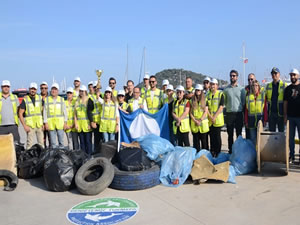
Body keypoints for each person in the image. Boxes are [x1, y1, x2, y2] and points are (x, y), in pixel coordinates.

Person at [223, 70, 246, 153]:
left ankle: (239, 150)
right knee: (230, 134)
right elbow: (224, 102)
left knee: (239, 134)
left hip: (238, 113)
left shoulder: (241, 89)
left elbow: (243, 102)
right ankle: (230, 150)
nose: (232, 77)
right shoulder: (226, 90)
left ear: (237, 77)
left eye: (234, 76)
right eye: (231, 76)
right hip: (229, 114)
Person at [19, 82, 44, 149]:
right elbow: (20, 113)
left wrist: (44, 123)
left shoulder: (40, 98)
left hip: (39, 125)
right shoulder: (25, 99)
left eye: (34, 89)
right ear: (29, 89)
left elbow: (43, 111)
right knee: (29, 144)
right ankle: (28, 158)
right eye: (31, 89)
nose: (33, 90)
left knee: (41, 144)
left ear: (36, 90)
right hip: (30, 126)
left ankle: (41, 157)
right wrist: (24, 126)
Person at [44, 83, 68, 149]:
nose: (54, 91)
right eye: (52, 89)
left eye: (55, 89)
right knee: (53, 143)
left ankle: (62, 156)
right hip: (51, 124)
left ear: (58, 91)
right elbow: (45, 112)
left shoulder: (61, 100)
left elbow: (65, 112)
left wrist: (65, 123)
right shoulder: (47, 100)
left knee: (61, 142)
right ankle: (54, 157)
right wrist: (45, 123)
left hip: (60, 124)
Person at [284, 68, 300, 162]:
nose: (292, 77)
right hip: (290, 117)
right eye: (291, 75)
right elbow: (285, 103)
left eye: (294, 75)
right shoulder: (288, 89)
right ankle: (292, 155)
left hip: (299, 117)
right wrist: (285, 115)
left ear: (298, 76)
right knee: (290, 138)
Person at [244, 81, 267, 145]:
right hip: (251, 121)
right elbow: (246, 110)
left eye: (256, 85)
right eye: (253, 86)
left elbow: (265, 108)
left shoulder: (262, 96)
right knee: (253, 139)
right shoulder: (248, 97)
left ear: (259, 87)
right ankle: (254, 154)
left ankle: (259, 154)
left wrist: (265, 120)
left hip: (260, 120)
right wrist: (246, 121)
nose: (255, 87)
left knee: (260, 139)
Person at [265, 67, 287, 132]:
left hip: (281, 114)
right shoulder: (268, 86)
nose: (274, 75)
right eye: (272, 73)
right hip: (271, 113)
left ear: (279, 74)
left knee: (281, 133)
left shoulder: (284, 85)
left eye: (275, 73)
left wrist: (286, 115)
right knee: (271, 134)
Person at [207, 78, 224, 157]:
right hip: (210, 120)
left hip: (217, 120)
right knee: (212, 137)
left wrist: (214, 117)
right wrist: (211, 117)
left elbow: (221, 107)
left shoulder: (220, 94)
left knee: (217, 137)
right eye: (211, 84)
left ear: (217, 85)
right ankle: (212, 152)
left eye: (214, 84)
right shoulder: (208, 95)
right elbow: (206, 108)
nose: (212, 86)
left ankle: (218, 153)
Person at [190, 84, 209, 151]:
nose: (198, 91)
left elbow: (206, 111)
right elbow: (190, 113)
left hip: (203, 125)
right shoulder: (192, 100)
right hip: (195, 125)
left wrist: (200, 120)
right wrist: (195, 121)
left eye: (199, 90)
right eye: (196, 90)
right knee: (196, 144)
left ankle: (206, 157)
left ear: (201, 91)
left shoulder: (205, 100)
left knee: (204, 144)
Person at [74, 85, 92, 155]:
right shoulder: (77, 101)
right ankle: (83, 156)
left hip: (87, 124)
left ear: (85, 92)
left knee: (88, 141)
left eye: (82, 91)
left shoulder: (89, 100)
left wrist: (90, 123)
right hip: (80, 125)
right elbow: (75, 114)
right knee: (82, 142)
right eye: (80, 91)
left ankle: (89, 155)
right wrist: (76, 123)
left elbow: (90, 113)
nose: (81, 92)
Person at [87, 81, 102, 152]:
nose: (97, 89)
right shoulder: (91, 98)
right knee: (96, 139)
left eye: (98, 87)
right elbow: (89, 111)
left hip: (103, 122)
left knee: (103, 140)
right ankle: (96, 153)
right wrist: (92, 121)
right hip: (96, 122)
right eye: (95, 87)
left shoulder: (103, 96)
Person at [40, 81, 50, 148]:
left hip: (49, 122)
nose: (44, 89)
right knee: (42, 140)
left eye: (45, 88)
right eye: (42, 88)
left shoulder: (50, 98)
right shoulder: (37, 98)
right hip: (40, 122)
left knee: (51, 139)